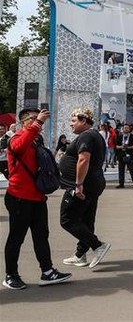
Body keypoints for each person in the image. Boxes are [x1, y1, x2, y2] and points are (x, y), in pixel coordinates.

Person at [3, 108, 71, 289]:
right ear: (23, 122)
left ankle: (47, 271)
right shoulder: (16, 138)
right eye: (33, 119)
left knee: (41, 236)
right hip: (19, 197)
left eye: (39, 118)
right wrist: (38, 123)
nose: (38, 122)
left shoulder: (36, 140)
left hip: (37, 197)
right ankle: (11, 274)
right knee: (16, 238)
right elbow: (19, 146)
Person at [59, 108, 111, 269]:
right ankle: (80, 255)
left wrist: (78, 184)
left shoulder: (86, 135)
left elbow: (83, 159)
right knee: (86, 220)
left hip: (84, 185)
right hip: (93, 183)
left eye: (73, 120)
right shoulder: (95, 135)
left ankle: (98, 246)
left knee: (67, 219)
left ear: (83, 121)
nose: (70, 124)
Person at [115, 124, 133, 188]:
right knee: (121, 170)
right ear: (123, 129)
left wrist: (128, 147)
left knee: (132, 170)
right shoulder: (119, 136)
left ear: (129, 129)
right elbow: (116, 146)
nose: (126, 129)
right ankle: (121, 183)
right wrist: (121, 147)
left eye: (127, 128)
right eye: (125, 128)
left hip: (130, 155)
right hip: (121, 155)